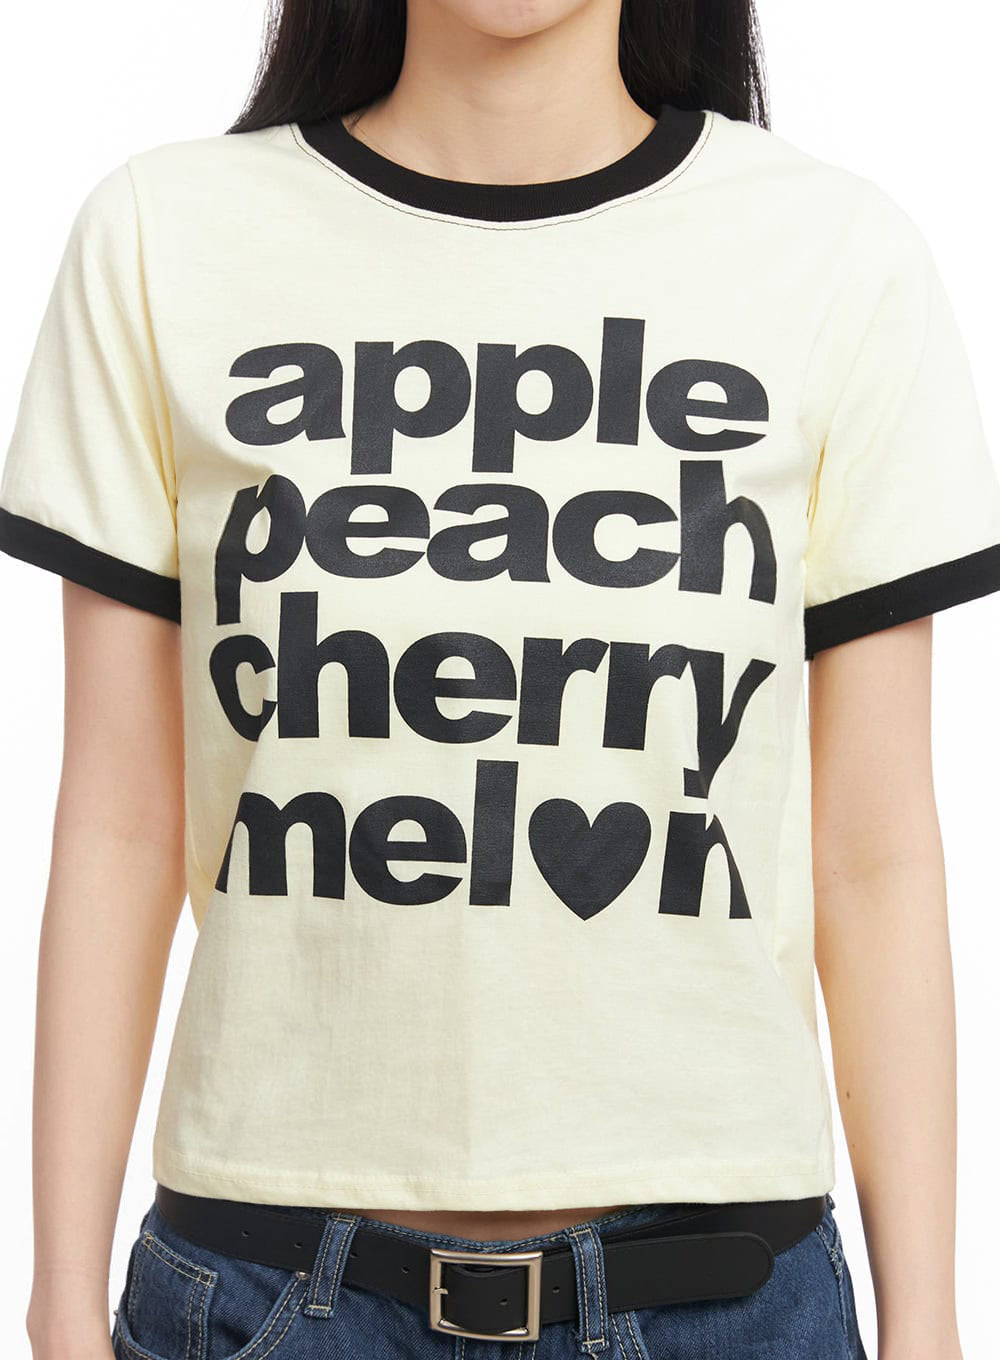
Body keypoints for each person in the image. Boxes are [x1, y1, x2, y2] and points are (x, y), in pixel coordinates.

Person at [3, 1, 998, 1357]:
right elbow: (121, 815)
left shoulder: (835, 257)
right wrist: (58, 1291)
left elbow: (872, 853)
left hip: (724, 1302)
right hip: (267, 1294)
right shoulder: (161, 241)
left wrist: (929, 1319)